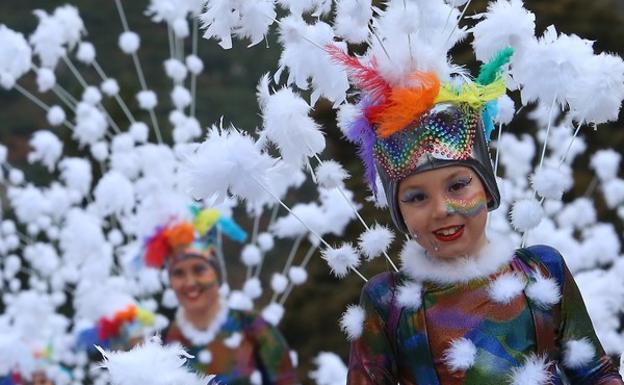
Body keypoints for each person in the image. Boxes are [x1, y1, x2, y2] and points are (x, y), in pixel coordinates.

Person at [332, 47, 624, 384]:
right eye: (417, 197)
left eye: (457, 186)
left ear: (486, 188)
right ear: (400, 212)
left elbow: (595, 373)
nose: (442, 209)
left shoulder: (542, 270)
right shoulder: (388, 301)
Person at [142, 210, 299, 385]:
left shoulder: (253, 327)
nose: (190, 282)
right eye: (178, 273)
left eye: (199, 269)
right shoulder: (162, 341)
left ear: (216, 273)